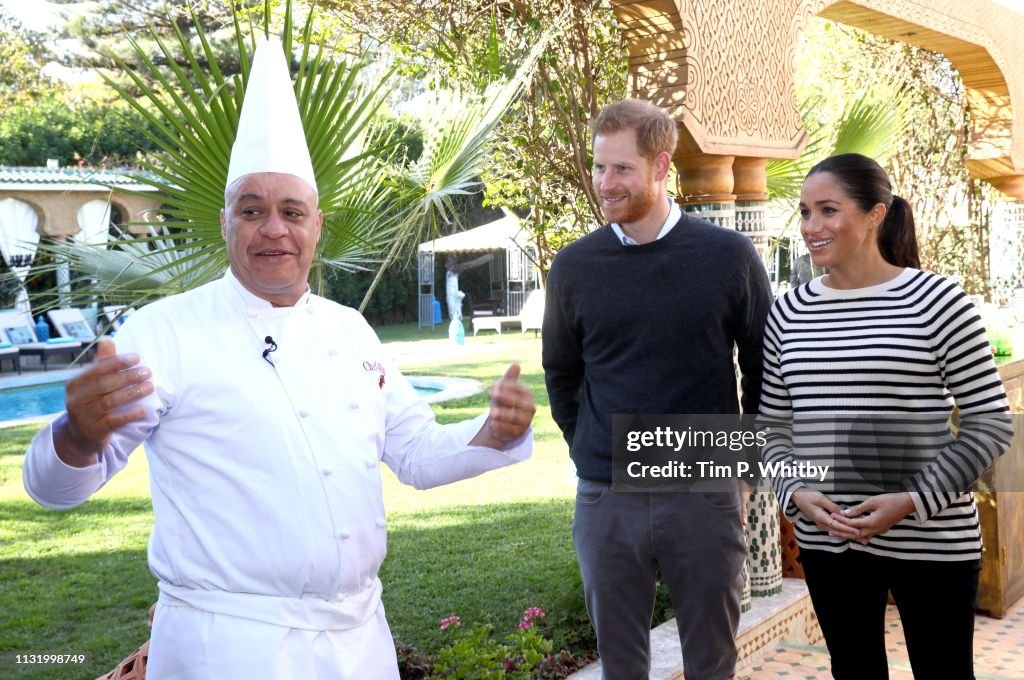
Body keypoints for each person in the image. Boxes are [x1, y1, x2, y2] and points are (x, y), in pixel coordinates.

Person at [22, 35, 536, 680]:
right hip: (228, 646)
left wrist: (494, 433)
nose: (274, 228)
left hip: (361, 640)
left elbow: (416, 454)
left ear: (316, 224)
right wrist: (75, 435)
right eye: (252, 210)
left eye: (291, 211)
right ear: (225, 223)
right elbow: (54, 489)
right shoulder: (165, 332)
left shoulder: (350, 330)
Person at [542, 98, 773, 679]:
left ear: (661, 165)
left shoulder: (729, 257)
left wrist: (740, 471)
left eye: (620, 169)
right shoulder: (572, 267)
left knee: (711, 661)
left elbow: (764, 368)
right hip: (606, 494)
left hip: (701, 486)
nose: (604, 183)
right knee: (620, 666)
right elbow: (562, 376)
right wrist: (590, 452)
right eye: (599, 167)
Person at [758, 153, 1013, 679]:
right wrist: (795, 493)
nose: (812, 227)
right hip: (829, 539)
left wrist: (912, 500)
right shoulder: (787, 311)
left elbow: (991, 422)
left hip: (933, 539)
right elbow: (772, 427)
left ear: (876, 214)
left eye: (829, 210)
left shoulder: (938, 302)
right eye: (805, 212)